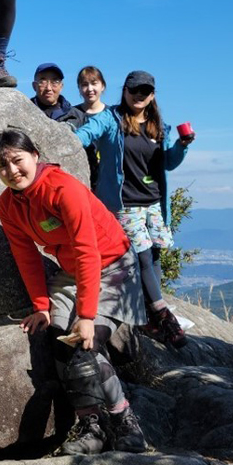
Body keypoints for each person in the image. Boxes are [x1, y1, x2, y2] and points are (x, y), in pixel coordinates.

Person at [0, 129, 148, 455]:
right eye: (2, 166)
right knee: (62, 340)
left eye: (17, 160)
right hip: (72, 271)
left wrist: (87, 315)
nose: (11, 171)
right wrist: (41, 305)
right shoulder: (8, 205)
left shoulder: (63, 189)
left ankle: (125, 423)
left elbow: (88, 250)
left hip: (114, 264)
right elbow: (26, 255)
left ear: (35, 155)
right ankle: (92, 427)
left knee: (84, 343)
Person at [70, 70, 194, 348]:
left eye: (146, 91)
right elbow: (87, 134)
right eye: (135, 89)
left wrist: (181, 146)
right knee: (142, 258)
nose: (140, 95)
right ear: (124, 90)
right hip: (124, 203)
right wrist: (67, 138)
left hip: (153, 202)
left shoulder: (158, 125)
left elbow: (168, 164)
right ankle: (164, 315)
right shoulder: (111, 118)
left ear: (152, 95)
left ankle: (150, 313)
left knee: (156, 254)